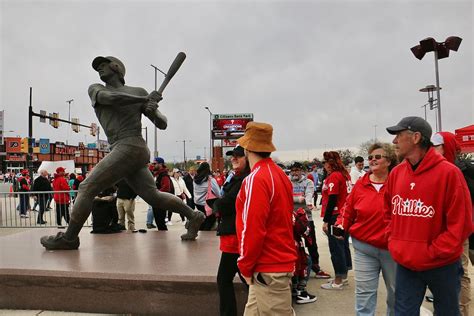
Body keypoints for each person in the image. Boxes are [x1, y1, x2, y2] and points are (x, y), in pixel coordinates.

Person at [40, 56, 205, 250]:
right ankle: (194, 216)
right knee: (152, 196)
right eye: (98, 67)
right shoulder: (97, 89)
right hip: (126, 148)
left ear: (116, 67)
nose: (99, 70)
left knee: (87, 188)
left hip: (130, 145)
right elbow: (110, 98)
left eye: (103, 65)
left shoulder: (138, 92)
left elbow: (162, 123)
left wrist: (153, 109)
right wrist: (144, 99)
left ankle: (69, 238)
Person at [384, 116, 472, 316]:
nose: (394, 141)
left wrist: (431, 252)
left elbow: (462, 225)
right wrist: (395, 241)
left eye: (399, 135)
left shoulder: (449, 173)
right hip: (406, 264)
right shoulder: (397, 174)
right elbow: (387, 212)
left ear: (416, 137)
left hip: (442, 265)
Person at [235, 122, 297, 315]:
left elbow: (253, 228)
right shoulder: (279, 175)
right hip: (276, 264)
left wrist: (244, 264)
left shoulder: (256, 178)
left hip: (267, 266)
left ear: (247, 147)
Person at [336, 143, 398, 315]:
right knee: (364, 295)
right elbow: (347, 210)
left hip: (392, 250)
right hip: (365, 248)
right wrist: (341, 224)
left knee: (396, 295)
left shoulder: (399, 183)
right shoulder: (360, 184)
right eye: (370, 157)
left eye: (378, 157)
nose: (372, 160)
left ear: (389, 160)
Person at [431, 131, 473, 316]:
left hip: (458, 233)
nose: (432, 150)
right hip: (435, 232)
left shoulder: (463, 171)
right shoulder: (433, 169)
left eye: (437, 146)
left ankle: (463, 312)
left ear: (446, 147)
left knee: (461, 273)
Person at [213, 145, 250, 316]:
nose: (233, 158)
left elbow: (228, 204)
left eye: (238, 156)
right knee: (243, 279)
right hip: (233, 233)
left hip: (235, 235)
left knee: (225, 279)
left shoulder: (244, 179)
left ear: (247, 158)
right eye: (232, 156)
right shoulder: (236, 177)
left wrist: (218, 205)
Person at [289, 162, 330, 280]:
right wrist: (298, 199)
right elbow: (284, 197)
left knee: (311, 243)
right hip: (291, 218)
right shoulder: (287, 181)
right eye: (293, 170)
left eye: (297, 170)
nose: (295, 173)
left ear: (302, 171)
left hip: (306, 218)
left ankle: (316, 268)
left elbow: (308, 198)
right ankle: (296, 267)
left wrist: (298, 200)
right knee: (294, 243)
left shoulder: (308, 182)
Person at [320, 151, 353, 290]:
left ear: (331, 163)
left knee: (336, 248)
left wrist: (326, 221)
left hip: (335, 216)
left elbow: (332, 199)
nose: (325, 165)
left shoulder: (334, 176)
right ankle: (343, 276)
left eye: (326, 162)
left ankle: (338, 280)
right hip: (344, 215)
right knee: (343, 245)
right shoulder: (345, 174)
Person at [193, 162, 221, 231]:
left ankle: (200, 232)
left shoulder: (195, 179)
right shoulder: (210, 180)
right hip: (207, 204)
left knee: (203, 220)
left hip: (197, 203)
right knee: (210, 221)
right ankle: (205, 235)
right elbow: (218, 193)